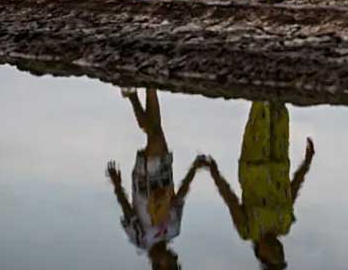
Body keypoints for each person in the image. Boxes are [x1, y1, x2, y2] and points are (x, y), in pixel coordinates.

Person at [203, 101, 315, 270]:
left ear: (261, 254)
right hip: (279, 160)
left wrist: (214, 172)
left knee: (261, 110)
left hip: (254, 162)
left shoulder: (248, 230)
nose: (279, 250)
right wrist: (306, 163)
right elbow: (292, 190)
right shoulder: (284, 226)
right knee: (279, 111)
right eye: (281, 254)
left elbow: (231, 200)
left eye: (275, 255)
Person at [106, 88, 208, 270]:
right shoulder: (174, 230)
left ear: (158, 266)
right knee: (157, 130)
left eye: (170, 262)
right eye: (175, 261)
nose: (173, 257)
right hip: (164, 175)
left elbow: (128, 211)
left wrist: (116, 184)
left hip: (144, 180)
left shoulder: (141, 239)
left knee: (155, 136)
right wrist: (193, 169)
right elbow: (179, 198)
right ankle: (147, 89)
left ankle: (133, 96)